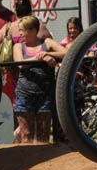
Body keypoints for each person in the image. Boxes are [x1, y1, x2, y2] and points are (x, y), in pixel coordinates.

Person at [12, 15, 66, 143]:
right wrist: (41, 58)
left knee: (43, 135)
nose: (20, 33)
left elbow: (66, 52)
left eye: (22, 30)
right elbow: (20, 64)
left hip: (45, 95)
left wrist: (48, 54)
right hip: (24, 94)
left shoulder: (47, 43)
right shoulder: (18, 46)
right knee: (26, 135)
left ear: (33, 30)